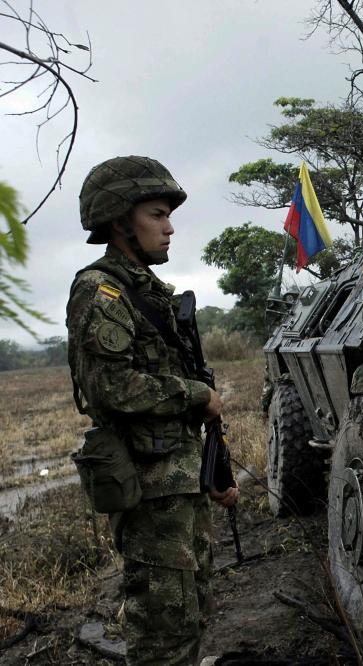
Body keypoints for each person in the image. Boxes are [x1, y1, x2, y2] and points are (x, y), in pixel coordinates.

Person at [67, 155, 238, 665]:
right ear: (120, 220)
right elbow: (109, 387)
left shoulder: (149, 291)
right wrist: (195, 396)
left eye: (169, 216)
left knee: (192, 609)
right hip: (147, 486)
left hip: (177, 479)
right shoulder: (101, 292)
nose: (169, 228)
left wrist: (211, 469)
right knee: (162, 629)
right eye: (157, 215)